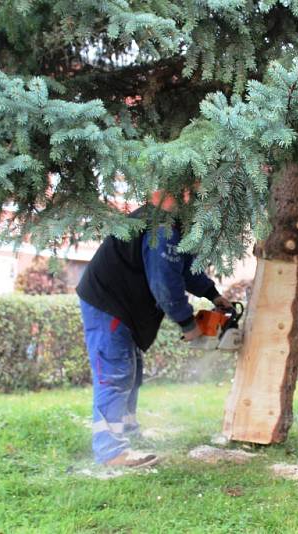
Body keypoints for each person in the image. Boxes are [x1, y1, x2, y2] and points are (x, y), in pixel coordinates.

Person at [76, 191, 230, 467]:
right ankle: (110, 452)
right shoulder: (163, 228)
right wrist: (187, 323)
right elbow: (164, 283)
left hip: (120, 304)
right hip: (109, 304)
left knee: (130, 372)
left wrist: (212, 294)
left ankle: (128, 431)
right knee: (116, 373)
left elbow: (183, 268)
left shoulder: (167, 224)